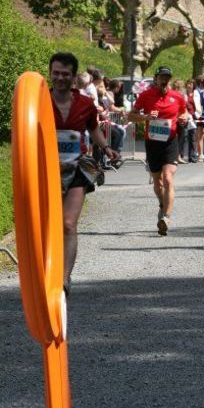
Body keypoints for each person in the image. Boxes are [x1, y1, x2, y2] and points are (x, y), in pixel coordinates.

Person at [49, 52, 118, 295]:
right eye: (56, 73)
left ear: (73, 77)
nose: (60, 78)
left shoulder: (85, 104)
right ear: (50, 73)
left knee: (68, 223)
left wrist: (106, 148)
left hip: (76, 167)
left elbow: (93, 128)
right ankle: (46, 269)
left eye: (65, 74)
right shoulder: (39, 101)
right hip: (45, 170)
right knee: (49, 224)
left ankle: (64, 279)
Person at [128, 66, 187, 236]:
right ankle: (162, 204)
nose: (164, 80)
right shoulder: (146, 95)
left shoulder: (177, 96)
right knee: (157, 181)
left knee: (168, 178)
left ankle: (166, 218)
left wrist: (184, 118)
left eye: (167, 77)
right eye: (162, 77)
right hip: (152, 143)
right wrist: (146, 117)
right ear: (156, 78)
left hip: (170, 142)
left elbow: (184, 113)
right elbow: (130, 116)